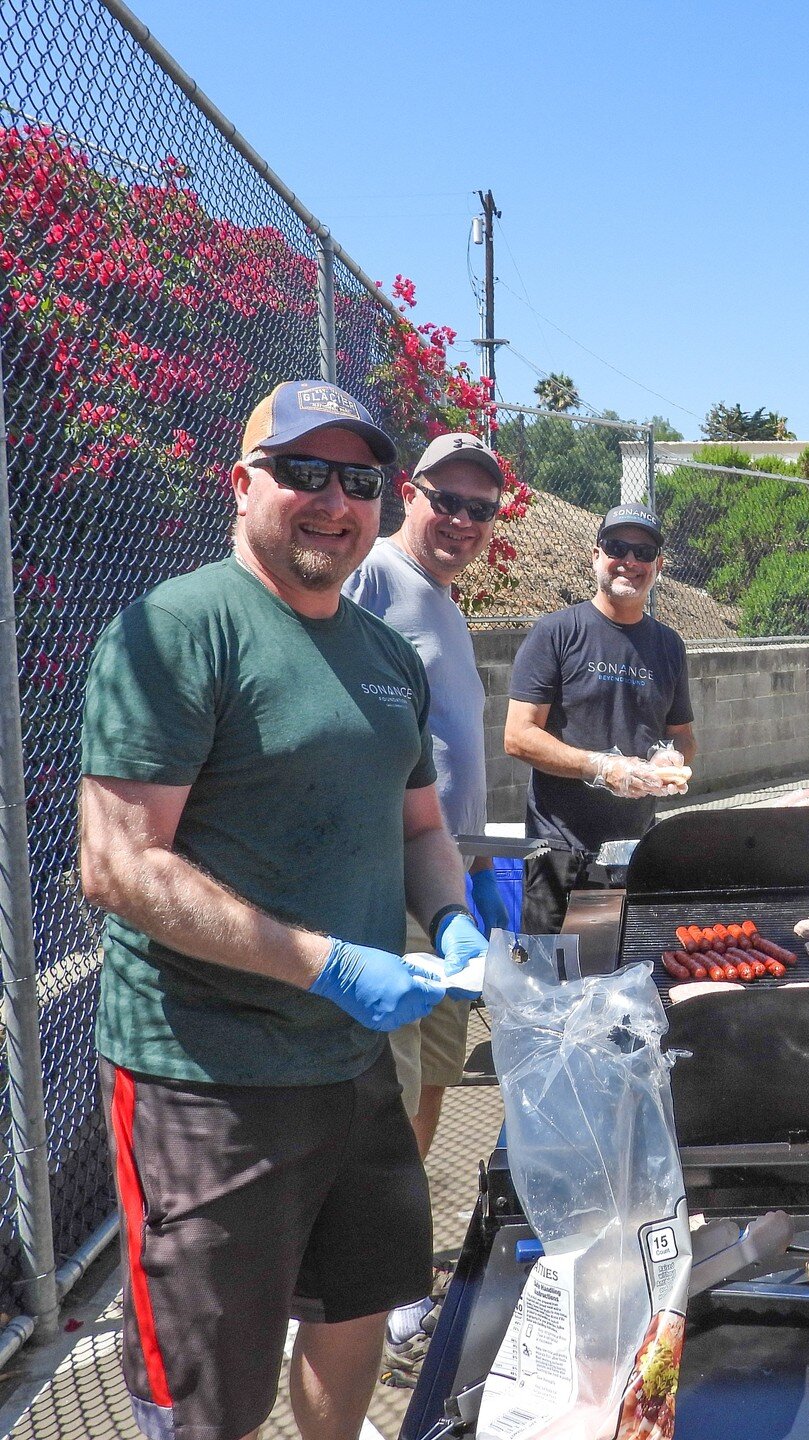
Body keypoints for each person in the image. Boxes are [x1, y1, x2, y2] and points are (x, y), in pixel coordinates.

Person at [79, 380, 487, 1440]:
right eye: (302, 471)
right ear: (242, 482)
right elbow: (120, 866)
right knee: (212, 1386)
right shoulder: (176, 630)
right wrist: (328, 964)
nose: (333, 501)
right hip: (206, 1080)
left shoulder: (384, 656)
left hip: (352, 1070)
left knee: (358, 1305)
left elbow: (419, 832)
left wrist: (450, 921)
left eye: (358, 480)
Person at [343, 431, 514, 1387]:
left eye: (480, 509)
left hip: (448, 883)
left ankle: (401, 1252)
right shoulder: (371, 572)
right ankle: (370, 1279)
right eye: (445, 500)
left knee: (439, 1079)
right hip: (391, 882)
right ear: (410, 494)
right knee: (395, 1086)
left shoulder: (441, 603)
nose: (459, 521)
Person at [504, 503, 696, 933]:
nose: (629, 561)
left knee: (627, 978)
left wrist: (671, 759)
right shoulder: (556, 632)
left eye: (643, 552)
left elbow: (682, 735)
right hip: (558, 851)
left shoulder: (669, 645)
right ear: (596, 555)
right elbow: (518, 736)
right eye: (617, 547)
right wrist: (602, 767)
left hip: (636, 848)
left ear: (658, 565)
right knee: (555, 984)